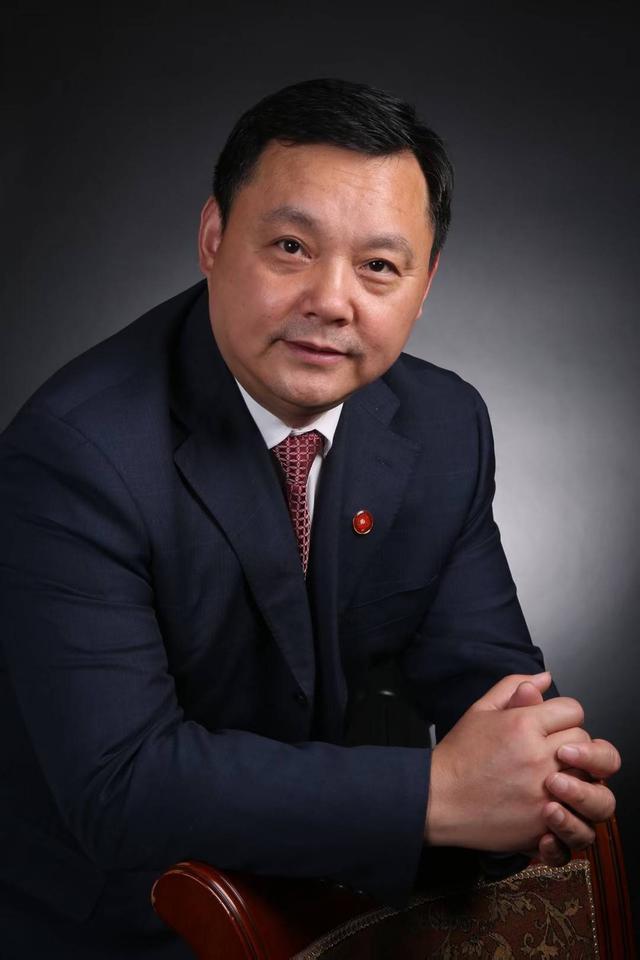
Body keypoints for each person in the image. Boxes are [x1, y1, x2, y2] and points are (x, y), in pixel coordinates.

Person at [0, 78, 620, 958]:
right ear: (214, 238)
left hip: (328, 902)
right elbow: (123, 784)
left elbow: (492, 683)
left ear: (425, 284)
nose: (332, 300)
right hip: (117, 923)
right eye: (291, 247)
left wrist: (542, 779)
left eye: (379, 266)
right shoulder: (77, 453)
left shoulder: (443, 425)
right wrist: (436, 796)